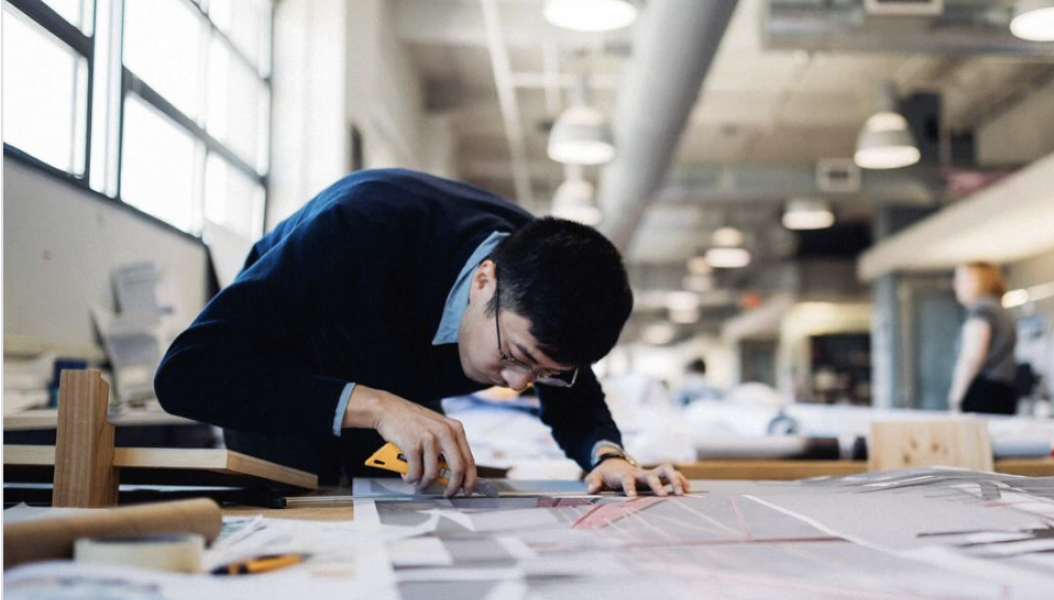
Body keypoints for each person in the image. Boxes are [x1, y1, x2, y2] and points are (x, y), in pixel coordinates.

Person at [155, 169, 688, 498]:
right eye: (513, 356)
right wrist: (381, 407)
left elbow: (572, 392)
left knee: (409, 500)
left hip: (394, 376)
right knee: (293, 497)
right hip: (289, 375)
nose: (517, 384)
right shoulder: (359, 228)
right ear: (485, 280)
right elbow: (187, 375)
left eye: (543, 374)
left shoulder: (545, 275)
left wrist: (608, 458)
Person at [948, 262, 1019, 415]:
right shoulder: (1000, 310)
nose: (955, 285)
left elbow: (973, 357)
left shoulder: (982, 310)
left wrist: (956, 396)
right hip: (1005, 391)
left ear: (978, 281)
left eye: (961, 279)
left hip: (984, 394)